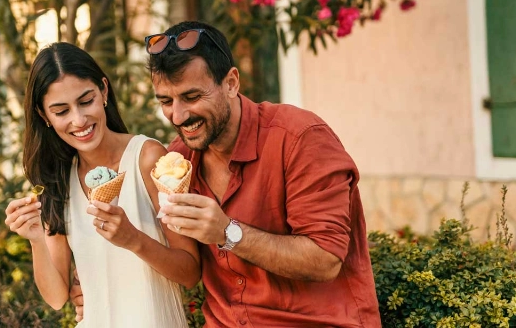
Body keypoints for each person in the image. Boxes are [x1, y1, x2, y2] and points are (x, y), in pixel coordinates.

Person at [148, 21, 382, 327]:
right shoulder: (180, 157)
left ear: (231, 83)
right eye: (166, 101)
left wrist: (226, 232)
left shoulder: (300, 138)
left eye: (192, 98)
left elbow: (326, 260)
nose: (178, 116)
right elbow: (182, 264)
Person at [4, 42, 199, 327]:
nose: (79, 120)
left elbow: (190, 272)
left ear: (104, 91)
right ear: (44, 116)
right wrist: (35, 239)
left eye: (86, 101)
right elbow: (57, 297)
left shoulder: (147, 158)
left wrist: (134, 240)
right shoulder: (58, 181)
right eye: (61, 111)